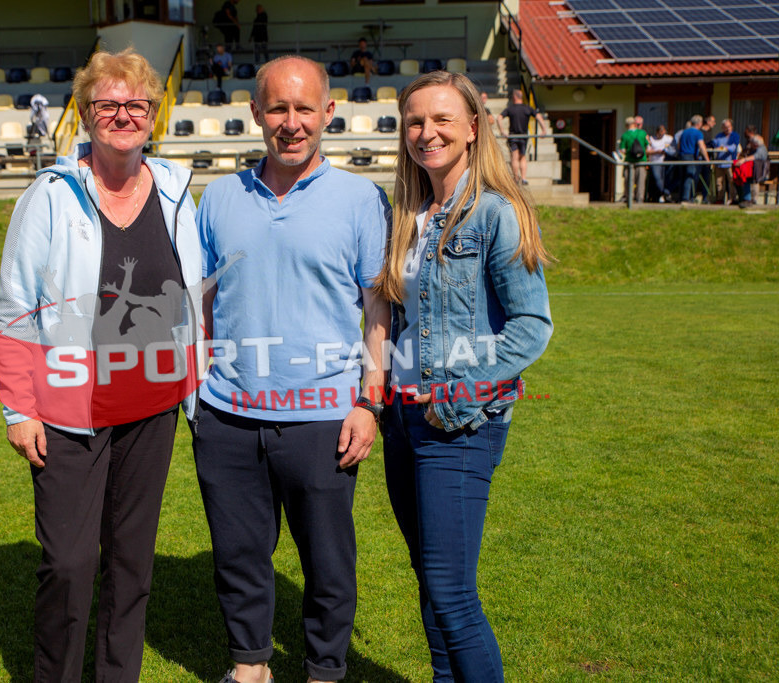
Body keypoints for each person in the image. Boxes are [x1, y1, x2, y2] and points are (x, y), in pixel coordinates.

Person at [0, 48, 203, 682]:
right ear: (85, 114)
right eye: (107, 104)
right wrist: (18, 407)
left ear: (152, 114)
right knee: (69, 562)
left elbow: (193, 293)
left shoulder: (175, 192)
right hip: (66, 411)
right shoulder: (51, 196)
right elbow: (13, 310)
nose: (123, 115)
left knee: (133, 563)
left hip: (153, 408)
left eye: (136, 104)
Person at [192, 55, 390, 683]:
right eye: (278, 107)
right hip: (228, 416)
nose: (291, 122)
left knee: (328, 561)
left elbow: (378, 310)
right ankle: (250, 666)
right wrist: (198, 394)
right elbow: (200, 304)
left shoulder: (361, 199)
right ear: (256, 112)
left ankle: (325, 669)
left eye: (305, 108)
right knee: (239, 555)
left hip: (323, 418)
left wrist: (369, 402)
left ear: (328, 112)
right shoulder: (218, 197)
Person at [376, 70, 552, 683]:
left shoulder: (495, 214)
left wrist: (458, 393)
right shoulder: (406, 215)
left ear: (473, 128)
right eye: (416, 121)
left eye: (442, 119)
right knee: (431, 587)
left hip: (458, 424)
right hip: (402, 420)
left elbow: (532, 324)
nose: (428, 133)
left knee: (452, 594)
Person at [497, 89, 547, 185]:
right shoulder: (527, 108)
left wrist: (502, 131)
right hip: (523, 137)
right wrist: (544, 130)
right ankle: (523, 178)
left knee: (515, 157)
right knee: (522, 157)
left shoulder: (510, 108)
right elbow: (539, 117)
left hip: (513, 136)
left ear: (514, 97)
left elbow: (499, 117)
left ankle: (516, 178)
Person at [678, 115, 710, 204]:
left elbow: (679, 145)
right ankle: (686, 198)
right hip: (690, 157)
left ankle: (680, 197)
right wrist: (707, 159)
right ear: (699, 123)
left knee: (682, 177)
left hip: (681, 156)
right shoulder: (698, 133)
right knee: (689, 177)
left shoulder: (684, 132)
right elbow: (702, 146)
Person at [618, 115, 648, 203]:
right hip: (641, 161)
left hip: (629, 161)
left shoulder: (625, 135)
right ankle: (640, 199)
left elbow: (622, 150)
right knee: (641, 181)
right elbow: (647, 146)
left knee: (629, 181)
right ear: (635, 124)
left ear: (626, 125)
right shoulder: (643, 133)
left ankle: (630, 199)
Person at [712, 118, 742, 205]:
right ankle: (720, 199)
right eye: (725, 127)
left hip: (730, 163)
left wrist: (725, 148)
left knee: (732, 182)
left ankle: (733, 199)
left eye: (729, 127)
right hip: (719, 163)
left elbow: (733, 147)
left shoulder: (735, 136)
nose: (727, 128)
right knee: (719, 182)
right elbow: (714, 145)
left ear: (731, 127)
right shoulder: (718, 136)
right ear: (722, 127)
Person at [735, 131, 769, 208]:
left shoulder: (761, 149)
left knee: (747, 181)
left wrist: (744, 160)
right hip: (752, 170)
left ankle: (749, 200)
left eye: (752, 143)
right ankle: (744, 199)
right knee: (740, 179)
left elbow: (755, 156)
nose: (750, 144)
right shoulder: (753, 148)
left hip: (759, 172)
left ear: (756, 144)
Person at [647, 124, 674, 202]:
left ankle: (664, 195)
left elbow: (673, 146)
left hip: (665, 162)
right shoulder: (652, 139)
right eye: (659, 134)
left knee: (666, 179)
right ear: (657, 132)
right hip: (655, 162)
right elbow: (648, 151)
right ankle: (663, 194)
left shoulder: (668, 138)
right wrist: (657, 152)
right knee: (657, 179)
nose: (661, 135)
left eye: (663, 133)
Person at [700, 114, 717, 203]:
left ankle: (705, 197)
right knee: (697, 178)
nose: (714, 124)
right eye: (713, 122)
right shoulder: (701, 132)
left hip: (708, 158)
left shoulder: (709, 133)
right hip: (700, 159)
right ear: (708, 122)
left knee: (707, 178)